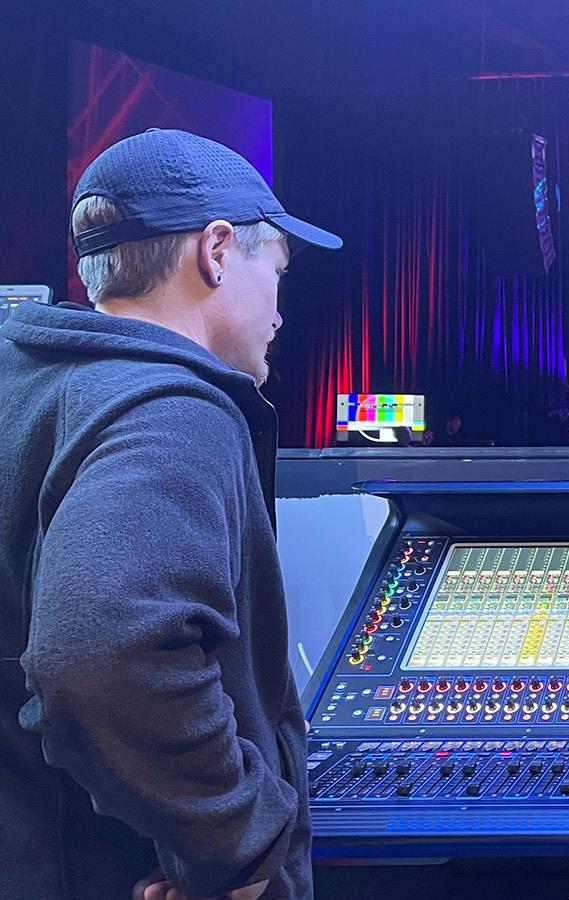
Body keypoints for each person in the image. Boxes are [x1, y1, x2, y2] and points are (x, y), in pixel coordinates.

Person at [0, 129, 342, 900]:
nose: (281, 310)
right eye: (277, 270)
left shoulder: (23, 385)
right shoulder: (174, 415)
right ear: (217, 251)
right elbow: (100, 653)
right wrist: (235, 848)